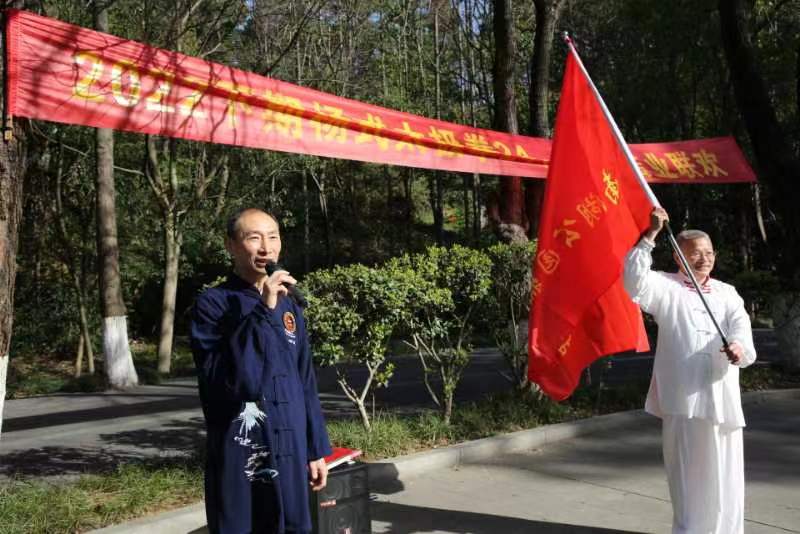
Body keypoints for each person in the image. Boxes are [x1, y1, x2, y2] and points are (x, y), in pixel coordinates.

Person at [191, 208, 331, 533]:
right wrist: (263, 309)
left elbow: (305, 380)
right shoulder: (212, 305)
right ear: (230, 245)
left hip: (292, 443)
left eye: (273, 237)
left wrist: (315, 449)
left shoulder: (289, 305)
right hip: (244, 445)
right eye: (254, 238)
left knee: (294, 525)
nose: (266, 248)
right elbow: (229, 380)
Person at [623, 207, 756, 534]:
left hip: (723, 398)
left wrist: (738, 349)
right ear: (678, 256)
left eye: (709, 253)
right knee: (688, 476)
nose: (704, 259)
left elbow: (742, 332)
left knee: (727, 476)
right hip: (683, 400)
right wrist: (651, 234)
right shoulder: (664, 287)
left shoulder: (728, 293)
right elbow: (633, 280)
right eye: (695, 253)